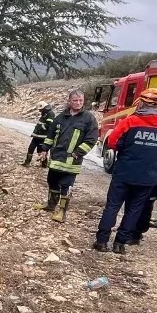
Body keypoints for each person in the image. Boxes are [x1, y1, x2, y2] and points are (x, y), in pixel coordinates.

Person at [93, 91, 157, 253]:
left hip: (124, 173)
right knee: (134, 210)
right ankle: (120, 244)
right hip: (148, 177)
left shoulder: (130, 121)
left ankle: (101, 242)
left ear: (141, 103)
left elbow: (113, 142)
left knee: (112, 207)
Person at [38, 89, 99, 223]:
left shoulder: (89, 118)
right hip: (56, 158)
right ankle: (51, 205)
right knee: (52, 181)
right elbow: (50, 135)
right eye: (75, 100)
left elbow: (91, 139)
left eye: (81, 101)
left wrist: (77, 153)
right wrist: (44, 150)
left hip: (72, 160)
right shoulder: (60, 117)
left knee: (66, 186)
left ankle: (62, 212)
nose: (78, 103)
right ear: (69, 101)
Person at [24, 102, 56, 166]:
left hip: (42, 137)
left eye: (40, 109)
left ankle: (44, 164)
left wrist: (41, 128)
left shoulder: (50, 113)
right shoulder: (45, 113)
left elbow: (49, 125)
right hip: (36, 136)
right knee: (31, 148)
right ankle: (27, 162)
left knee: (40, 151)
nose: (39, 110)